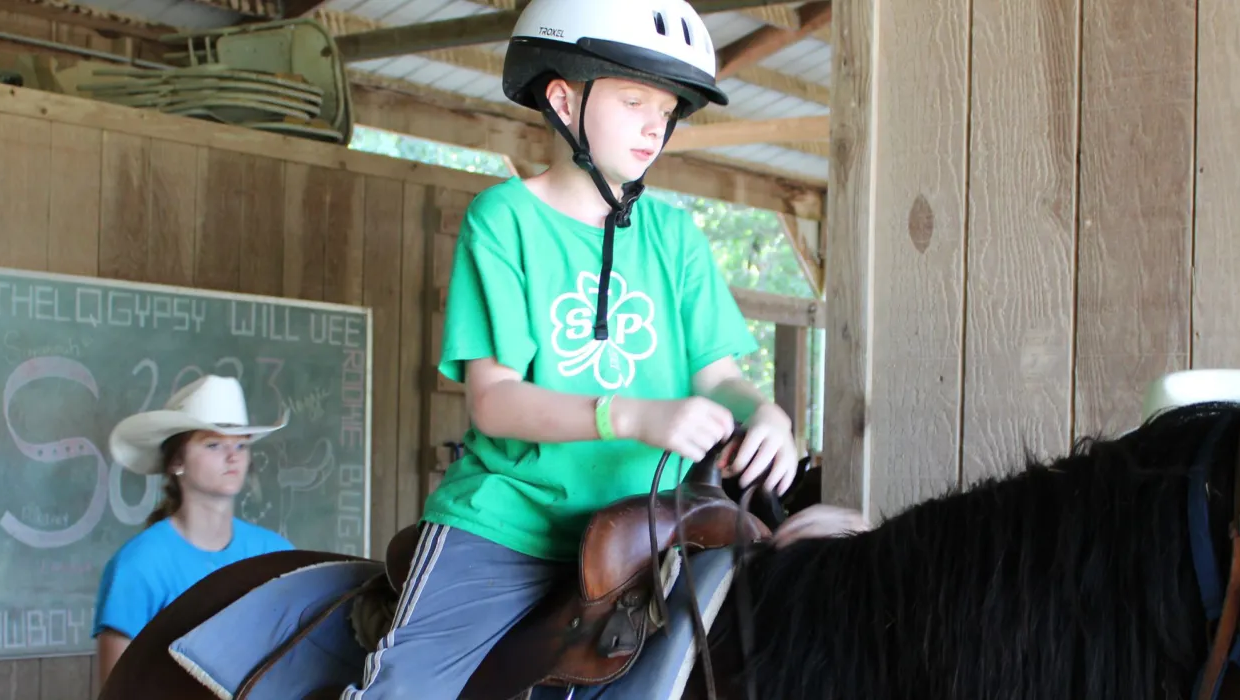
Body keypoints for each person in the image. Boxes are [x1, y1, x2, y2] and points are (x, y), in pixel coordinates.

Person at [339, 0, 847, 697]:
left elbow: (719, 374)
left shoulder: (677, 235)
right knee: (403, 690)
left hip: (655, 525)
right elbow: (495, 400)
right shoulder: (504, 219)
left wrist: (769, 415)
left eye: (667, 108)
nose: (654, 125)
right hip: (509, 525)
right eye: (634, 98)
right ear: (563, 98)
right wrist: (632, 417)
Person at [90, 374, 296, 686]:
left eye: (241, 444)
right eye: (213, 444)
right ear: (176, 461)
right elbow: (116, 690)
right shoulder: (139, 565)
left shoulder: (276, 554)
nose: (232, 456)